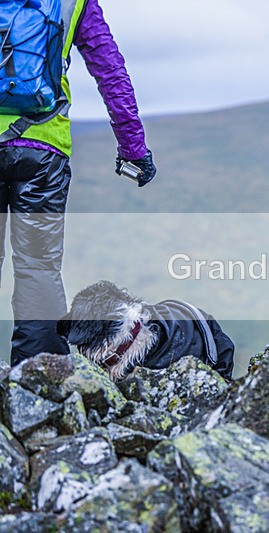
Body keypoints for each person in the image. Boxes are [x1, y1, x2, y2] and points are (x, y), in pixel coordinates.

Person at [0, 0, 155, 365]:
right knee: (39, 268)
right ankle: (40, 376)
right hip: (44, 150)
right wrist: (134, 148)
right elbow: (110, 70)